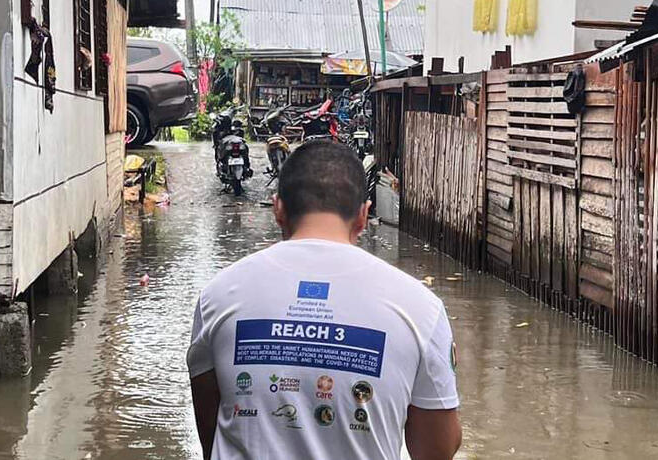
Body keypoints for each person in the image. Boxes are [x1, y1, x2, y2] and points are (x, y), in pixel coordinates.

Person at [186, 140, 462, 460]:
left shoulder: (218, 296)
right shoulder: (420, 308)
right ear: (363, 215)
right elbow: (436, 450)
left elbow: (211, 433)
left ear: (278, 209)